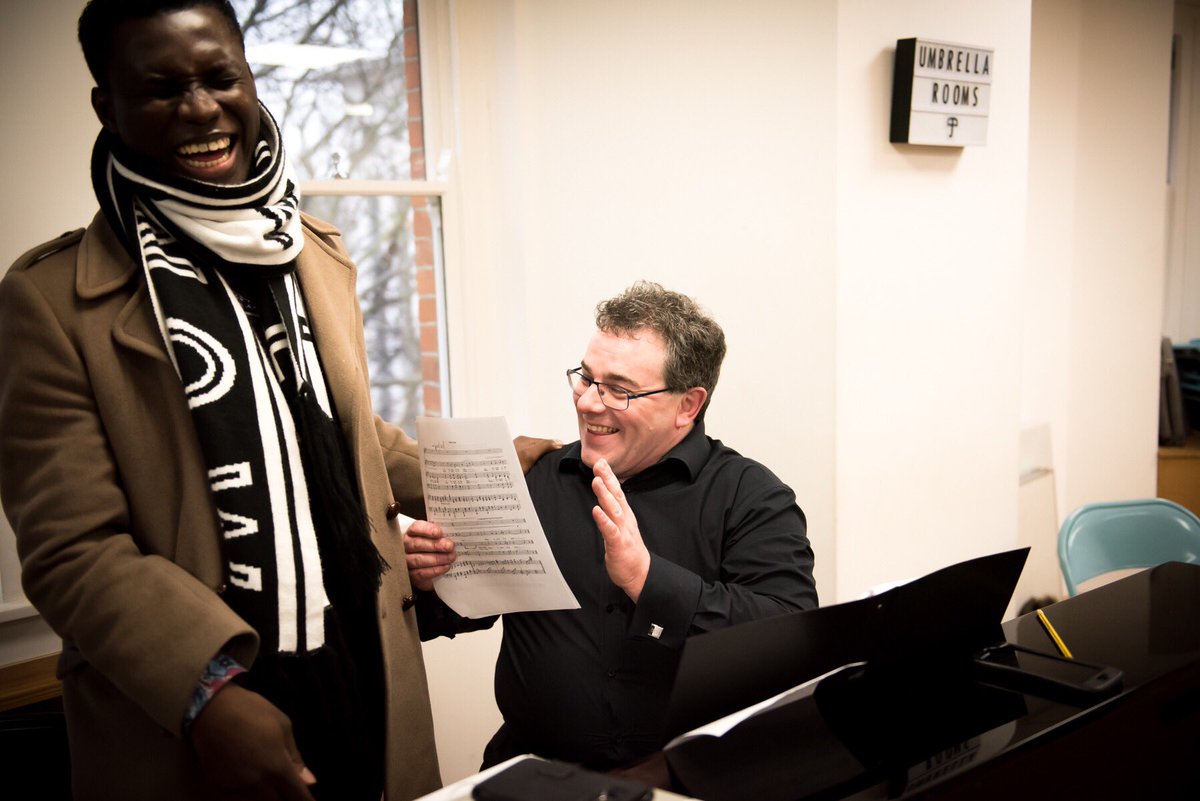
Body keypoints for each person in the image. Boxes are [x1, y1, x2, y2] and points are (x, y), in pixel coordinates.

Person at [0, 2, 553, 798]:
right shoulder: (51, 300)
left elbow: (339, 437)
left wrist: (490, 463)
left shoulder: (313, 253)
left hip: (361, 664)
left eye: (219, 77)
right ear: (106, 107)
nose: (200, 109)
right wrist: (206, 692)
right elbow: (71, 549)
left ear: (249, 79)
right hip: (205, 701)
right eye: (161, 89)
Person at [406, 281, 818, 771]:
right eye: (585, 378)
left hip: (689, 783)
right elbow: (456, 613)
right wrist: (430, 580)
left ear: (688, 405)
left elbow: (788, 639)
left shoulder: (752, 496)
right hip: (533, 776)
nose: (587, 403)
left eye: (618, 390)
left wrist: (647, 579)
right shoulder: (536, 477)